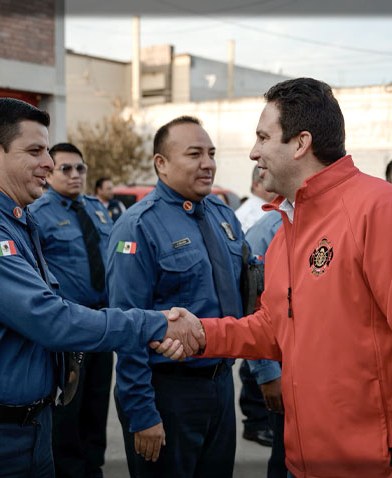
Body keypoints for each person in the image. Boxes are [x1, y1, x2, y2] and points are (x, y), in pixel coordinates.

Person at [156, 78, 392, 477]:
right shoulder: (288, 227)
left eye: (263, 137)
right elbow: (274, 328)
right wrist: (203, 333)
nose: (253, 152)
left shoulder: (384, 212)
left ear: (300, 143)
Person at [0, 98, 193, 478]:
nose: (50, 164)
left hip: (19, 427)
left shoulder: (14, 218)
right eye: (35, 151)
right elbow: (48, 318)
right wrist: (156, 324)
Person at [107, 116, 246, 477]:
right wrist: (142, 413)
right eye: (194, 154)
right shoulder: (138, 225)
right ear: (161, 164)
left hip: (218, 385)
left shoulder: (222, 215)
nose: (208, 163)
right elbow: (127, 326)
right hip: (167, 393)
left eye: (212, 154)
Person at [28, 143, 113, 477]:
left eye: (81, 168)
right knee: (67, 412)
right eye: (66, 168)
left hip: (102, 323)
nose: (76, 175)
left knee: (96, 405)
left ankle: (94, 468)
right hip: (66, 330)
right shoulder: (37, 212)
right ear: (49, 172)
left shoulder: (97, 209)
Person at [234, 164, 278, 448]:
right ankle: (256, 422)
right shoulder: (260, 217)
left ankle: (257, 421)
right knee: (255, 368)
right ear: (258, 182)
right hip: (260, 302)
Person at [244, 210, 287, 478]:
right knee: (287, 457)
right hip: (286, 366)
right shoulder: (267, 230)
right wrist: (268, 372)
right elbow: (255, 307)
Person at [235, 164, 277, 233]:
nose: (275, 186)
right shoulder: (248, 217)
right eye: (271, 182)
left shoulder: (271, 209)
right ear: (256, 185)